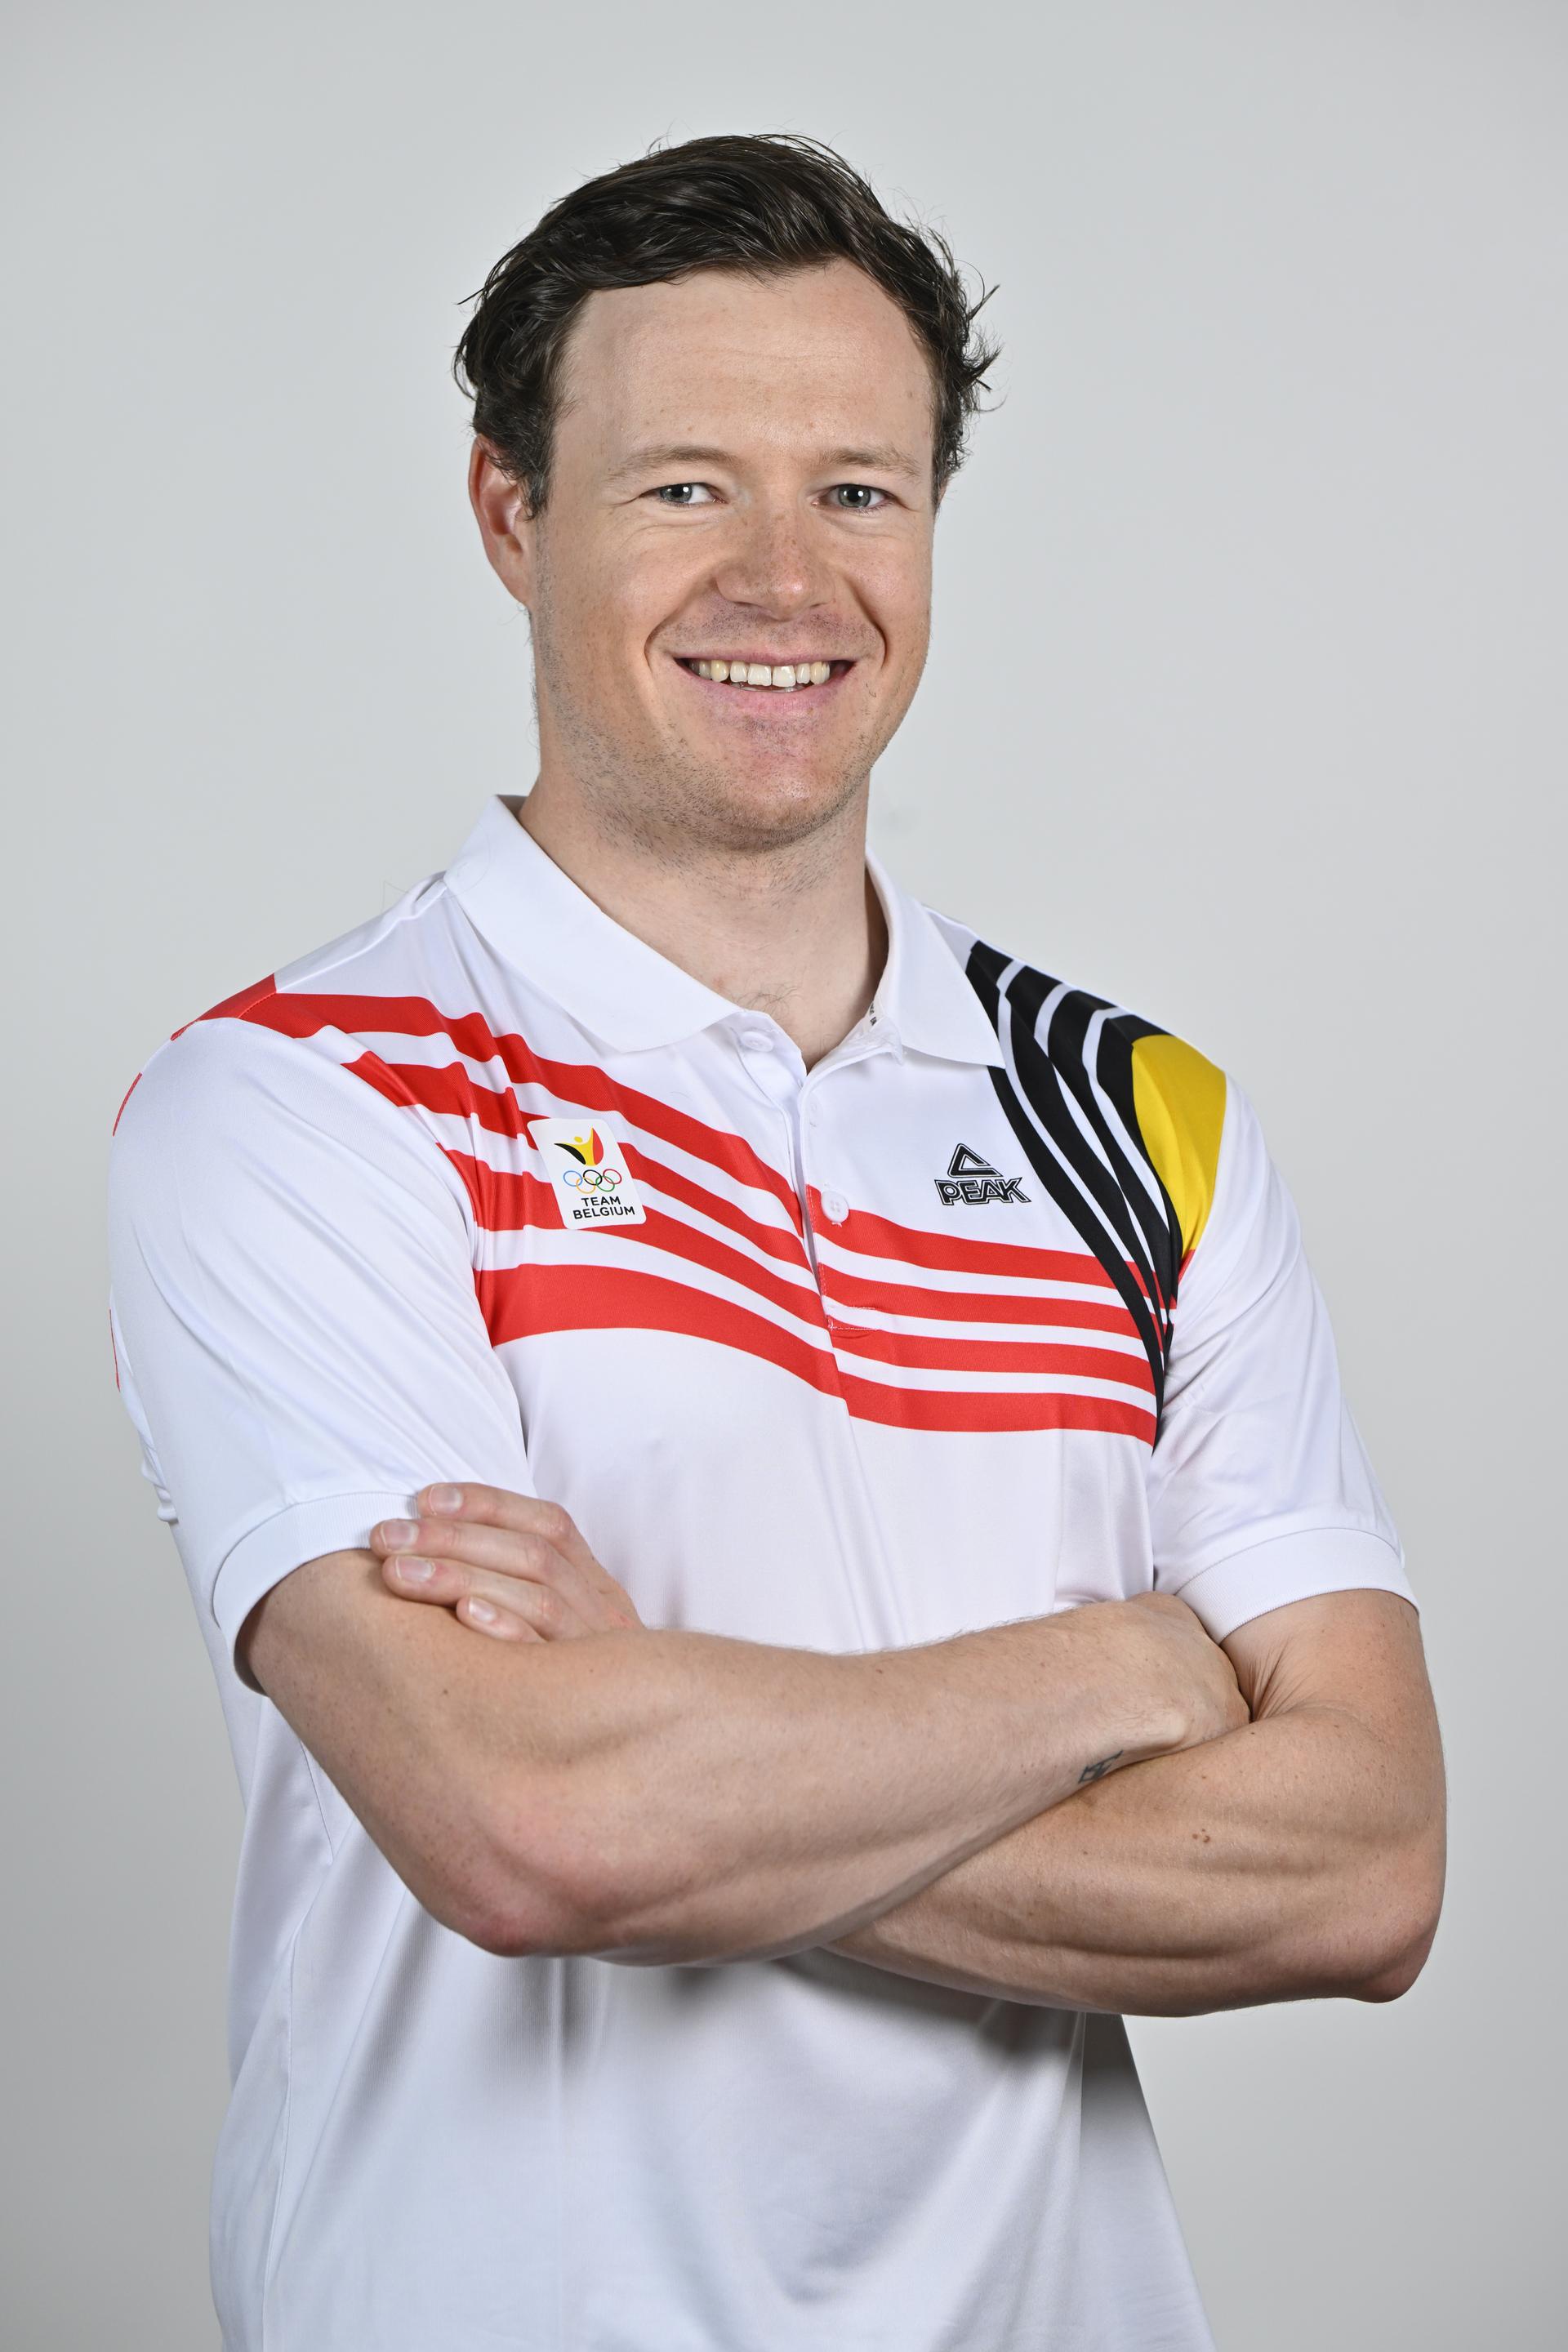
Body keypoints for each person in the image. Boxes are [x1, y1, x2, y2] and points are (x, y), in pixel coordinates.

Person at [106, 131, 1446, 2352]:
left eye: (860, 489)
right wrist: (1114, 1675)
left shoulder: (1134, 1117)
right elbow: (532, 1833)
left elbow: (1369, 1865)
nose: (783, 577)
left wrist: (689, 1769)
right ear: (509, 515)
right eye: (681, 487)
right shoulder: (303, 1099)